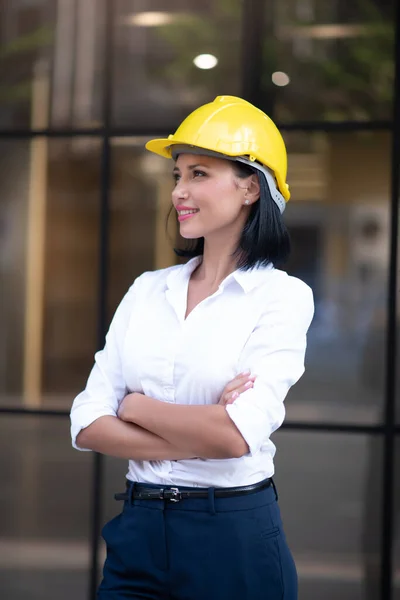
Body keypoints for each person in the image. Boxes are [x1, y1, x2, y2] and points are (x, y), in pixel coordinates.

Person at [70, 95, 314, 600]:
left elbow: (234, 438)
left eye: (199, 174)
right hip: (138, 531)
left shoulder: (282, 297)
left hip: (231, 537)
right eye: (177, 175)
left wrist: (136, 409)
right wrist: (201, 429)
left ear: (251, 186)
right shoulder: (146, 290)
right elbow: (89, 423)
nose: (179, 191)